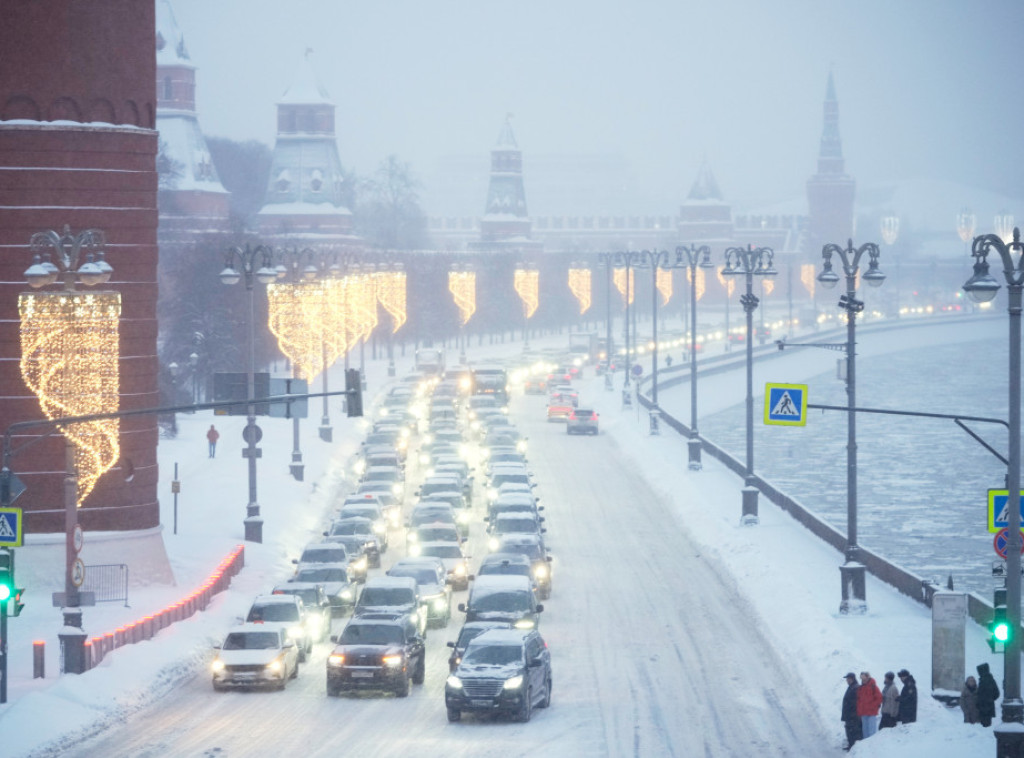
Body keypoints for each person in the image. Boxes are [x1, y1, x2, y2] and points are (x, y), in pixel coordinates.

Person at [857, 671, 883, 738]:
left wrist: (872, 706)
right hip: (863, 713)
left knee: (872, 732)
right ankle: (866, 747)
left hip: (871, 713)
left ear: (867, 677)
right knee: (865, 731)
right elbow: (859, 700)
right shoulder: (861, 688)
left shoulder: (873, 686)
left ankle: (872, 747)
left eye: (864, 678)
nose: (863, 680)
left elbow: (879, 698)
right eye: (862, 678)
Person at [841, 672, 862, 751]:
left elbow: (855, 702)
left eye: (848, 679)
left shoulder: (856, 688)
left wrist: (852, 712)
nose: (847, 680)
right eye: (846, 679)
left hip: (853, 715)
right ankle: (851, 745)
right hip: (850, 715)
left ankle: (853, 748)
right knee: (849, 730)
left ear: (852, 679)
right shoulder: (852, 687)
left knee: (853, 731)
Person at [976, 662, 1000, 728]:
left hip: (984, 707)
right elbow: (997, 693)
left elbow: (981, 695)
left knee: (985, 726)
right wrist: (991, 700)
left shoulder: (984, 680)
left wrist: (986, 701)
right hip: (988, 706)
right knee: (987, 725)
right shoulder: (990, 679)